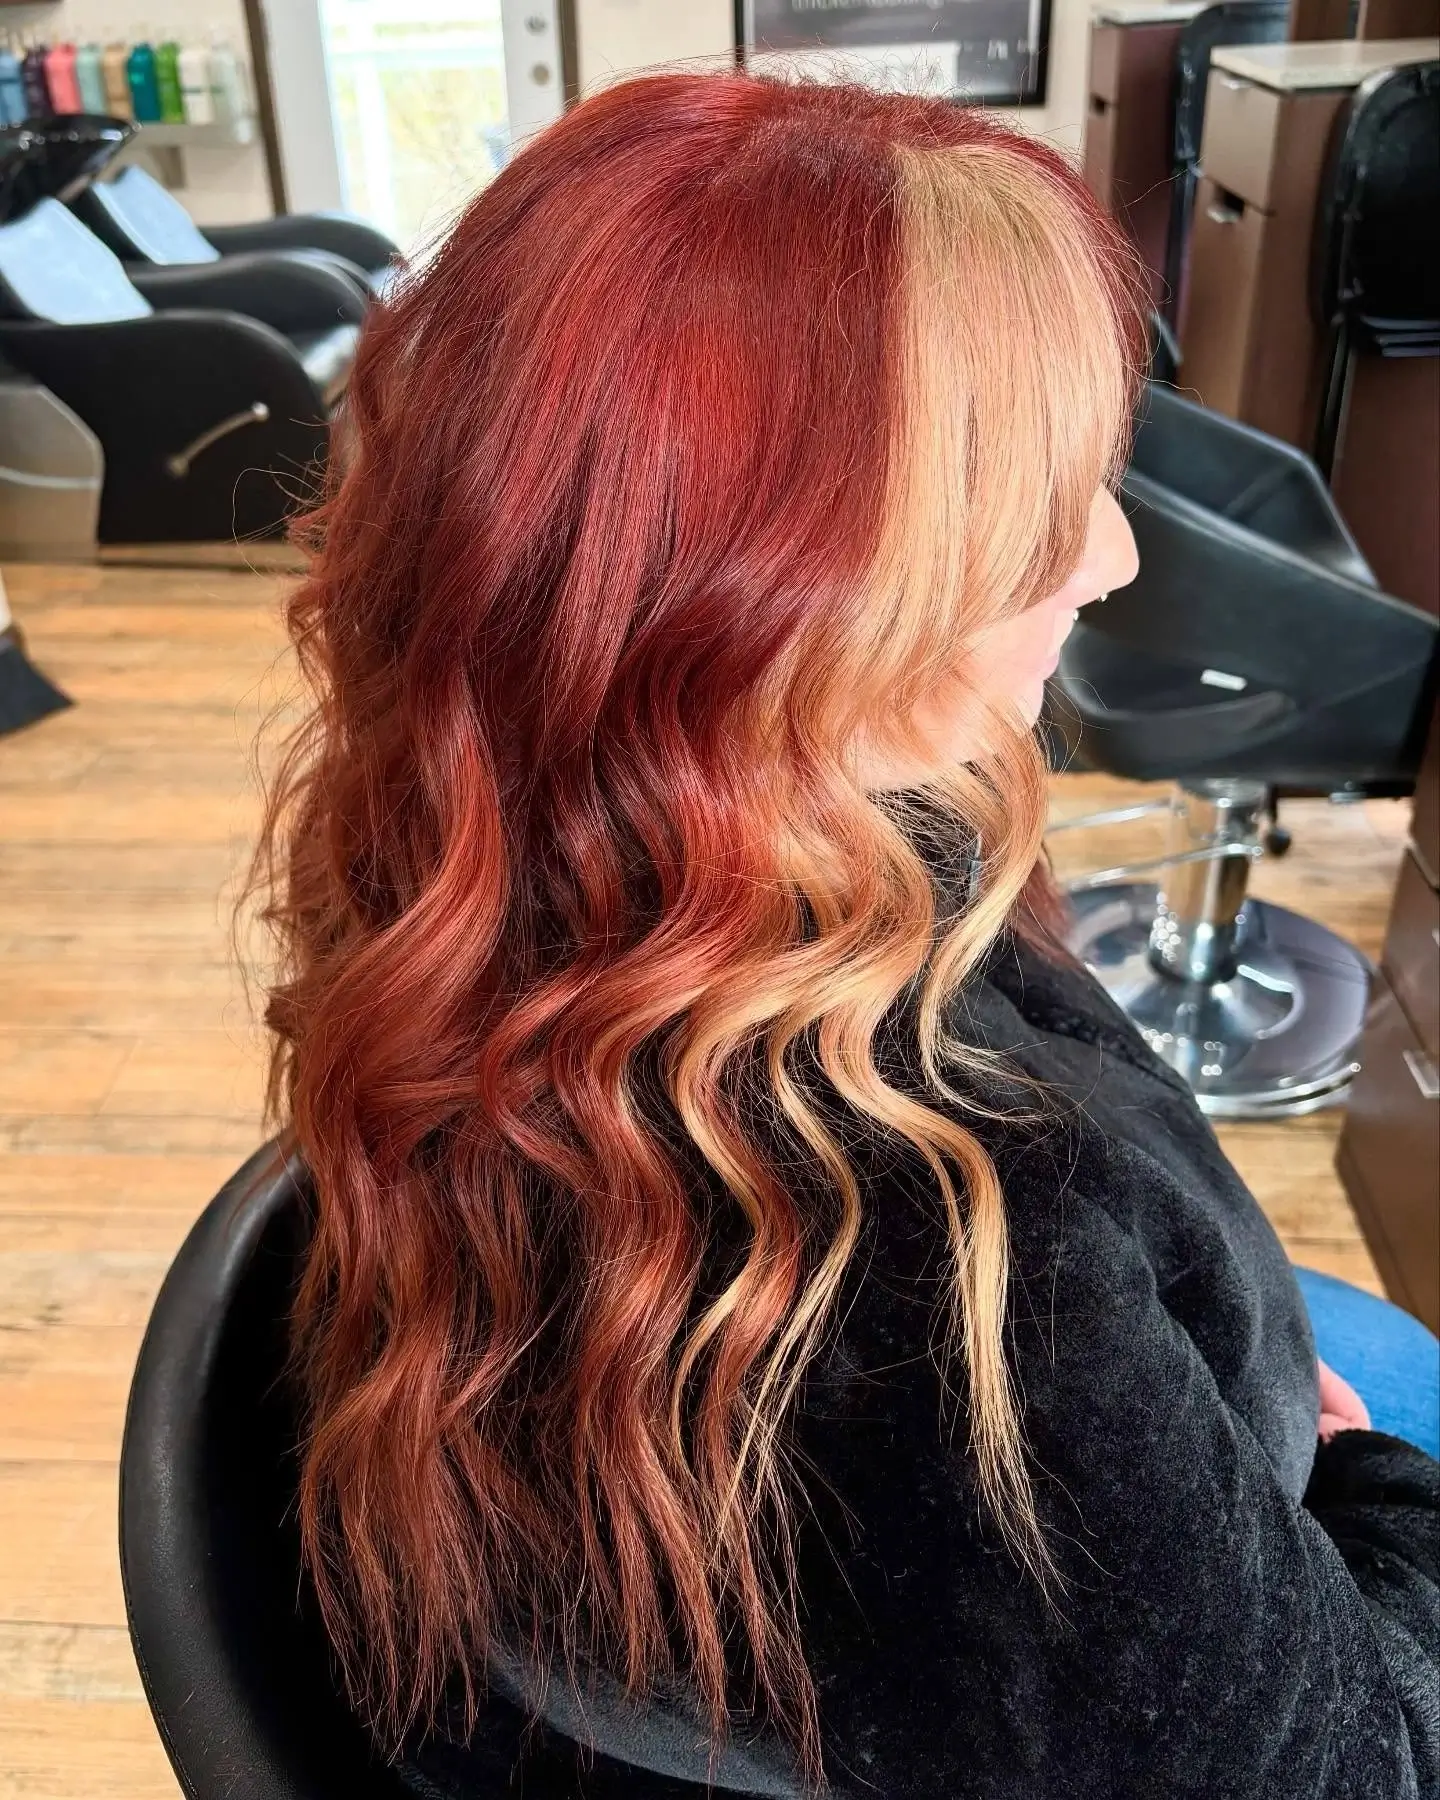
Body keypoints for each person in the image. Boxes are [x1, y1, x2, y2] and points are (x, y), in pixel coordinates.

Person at [254, 72, 1440, 1799]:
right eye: (1036, 510)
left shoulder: (478, 854)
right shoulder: (948, 1278)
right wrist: (1373, 1489)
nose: (1111, 561)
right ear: (791, 591)